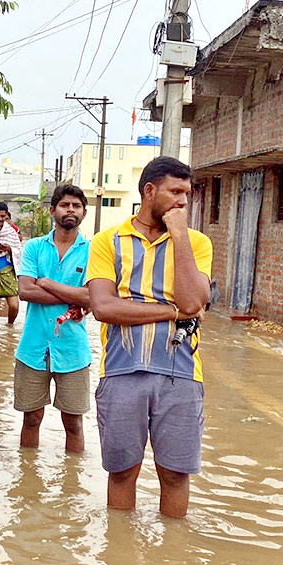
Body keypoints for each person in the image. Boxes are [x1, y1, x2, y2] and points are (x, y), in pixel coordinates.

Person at [87, 156, 212, 520]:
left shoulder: (197, 243)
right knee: (123, 471)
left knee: (175, 475)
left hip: (183, 375)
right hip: (121, 373)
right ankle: (119, 559)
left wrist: (179, 236)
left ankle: (171, 563)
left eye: (187, 195)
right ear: (149, 191)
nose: (182, 202)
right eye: (175, 192)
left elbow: (193, 299)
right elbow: (104, 308)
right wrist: (172, 312)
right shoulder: (107, 241)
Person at [15, 184, 92, 453]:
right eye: (64, 205)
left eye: (76, 206)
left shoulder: (92, 252)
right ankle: (28, 483)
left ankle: (71, 490)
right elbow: (25, 291)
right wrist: (75, 295)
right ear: (53, 211)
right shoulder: (34, 247)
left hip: (73, 351)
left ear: (84, 213)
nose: (70, 210)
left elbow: (93, 298)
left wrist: (46, 282)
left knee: (73, 423)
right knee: (31, 419)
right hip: (33, 348)